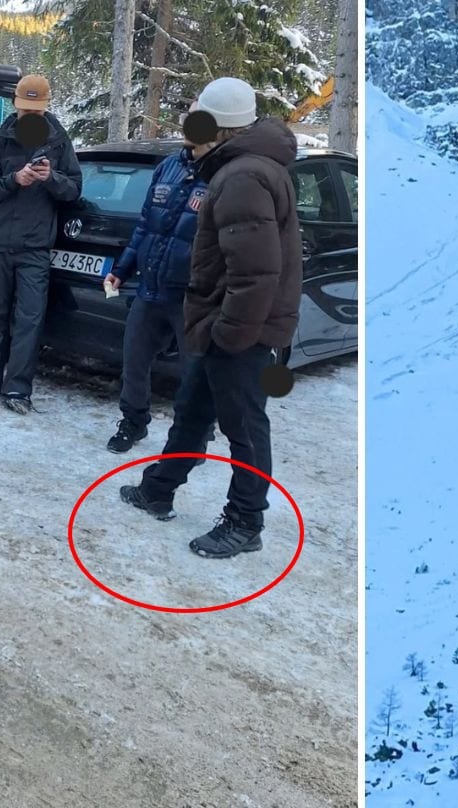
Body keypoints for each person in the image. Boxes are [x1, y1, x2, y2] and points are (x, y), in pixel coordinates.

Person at [118, 77, 303, 558]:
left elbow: (256, 272)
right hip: (223, 323)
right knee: (194, 408)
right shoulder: (239, 168)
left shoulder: (242, 177)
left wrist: (231, 333)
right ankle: (159, 487)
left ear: (220, 128)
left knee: (244, 426)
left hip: (241, 329)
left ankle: (246, 521)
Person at [0, 73, 81, 414]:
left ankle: (18, 389)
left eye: (35, 109)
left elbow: (74, 189)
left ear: (45, 107)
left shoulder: (59, 143)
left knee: (29, 318)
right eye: (24, 108)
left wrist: (52, 178)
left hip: (35, 246)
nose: (29, 114)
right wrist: (13, 179)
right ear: (16, 105)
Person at [101, 131, 208, 452]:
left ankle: (194, 438)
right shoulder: (167, 168)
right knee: (134, 359)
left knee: (194, 372)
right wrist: (121, 269)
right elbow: (145, 225)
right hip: (151, 286)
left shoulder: (224, 174)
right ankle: (133, 422)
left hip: (192, 295)